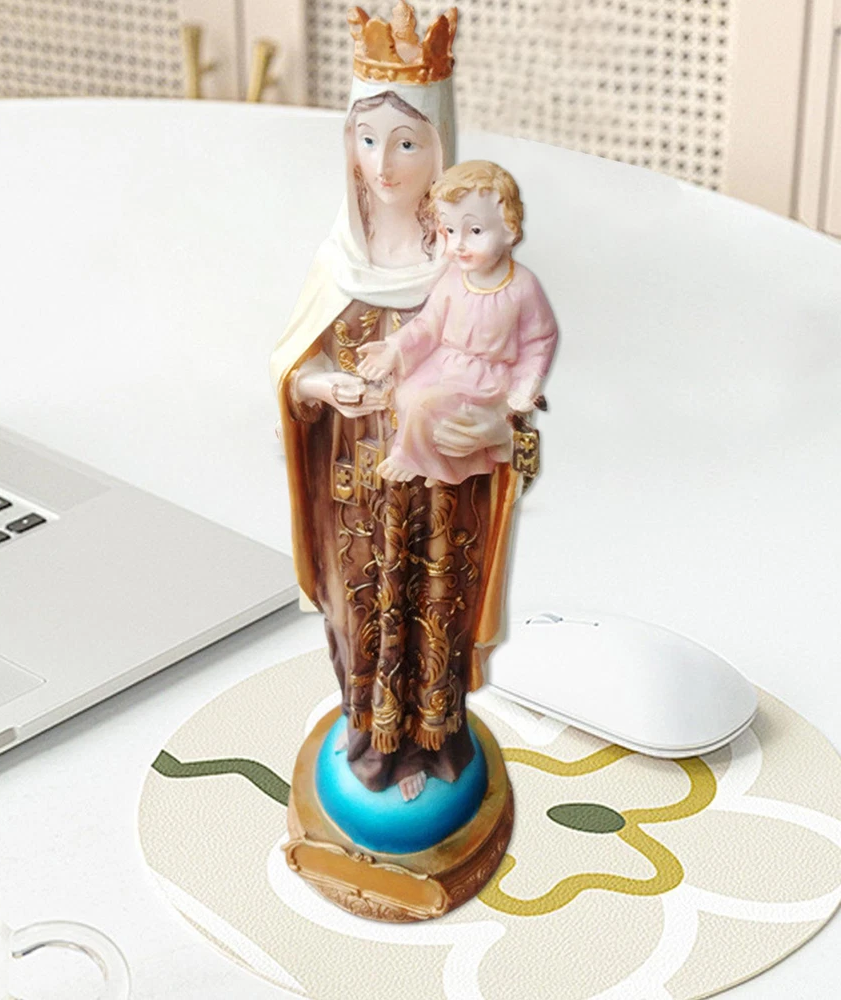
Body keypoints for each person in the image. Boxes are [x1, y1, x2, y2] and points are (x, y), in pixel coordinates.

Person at [271, 2, 523, 803]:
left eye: (407, 141)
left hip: (441, 485)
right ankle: (374, 745)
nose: (384, 162)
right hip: (356, 488)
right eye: (368, 138)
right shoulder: (338, 259)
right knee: (362, 611)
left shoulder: (464, 262)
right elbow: (292, 365)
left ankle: (436, 743)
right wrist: (322, 385)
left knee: (434, 604)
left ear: (439, 147)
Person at [357, 160, 558, 486]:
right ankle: (439, 464)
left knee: (425, 406)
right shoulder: (453, 278)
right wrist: (394, 348)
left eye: (475, 231)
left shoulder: (522, 286)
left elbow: (539, 340)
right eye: (450, 230)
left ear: (509, 229)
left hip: (484, 377)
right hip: (445, 364)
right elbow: (428, 325)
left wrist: (526, 385)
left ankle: (412, 458)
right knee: (406, 395)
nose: (459, 244)